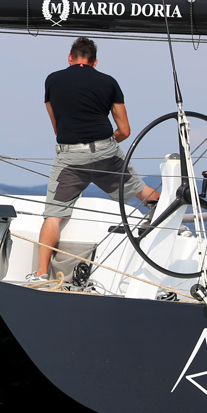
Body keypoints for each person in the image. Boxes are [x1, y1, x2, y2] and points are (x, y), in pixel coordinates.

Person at [35, 37, 160, 280]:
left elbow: (57, 127)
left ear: (70, 57)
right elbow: (125, 131)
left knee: (54, 214)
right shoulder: (109, 82)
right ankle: (179, 225)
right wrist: (105, 143)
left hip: (70, 157)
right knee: (141, 190)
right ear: (95, 62)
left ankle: (40, 273)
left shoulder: (52, 80)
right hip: (105, 153)